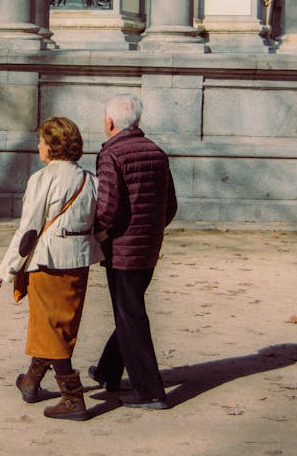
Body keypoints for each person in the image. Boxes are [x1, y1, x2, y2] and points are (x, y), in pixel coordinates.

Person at [0, 117, 103, 421]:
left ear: (52, 146)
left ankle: (73, 398)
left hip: (48, 260)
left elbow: (28, 232)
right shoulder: (91, 180)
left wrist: (5, 270)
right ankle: (31, 382)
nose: (38, 145)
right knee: (58, 323)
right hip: (78, 261)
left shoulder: (42, 179)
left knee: (51, 327)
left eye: (41, 140)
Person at [89, 93, 177, 409]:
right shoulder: (156, 152)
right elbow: (170, 205)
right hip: (148, 247)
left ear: (110, 122)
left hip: (123, 249)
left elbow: (108, 208)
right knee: (128, 312)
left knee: (131, 316)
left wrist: (97, 234)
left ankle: (151, 391)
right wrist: (150, 232)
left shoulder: (111, 153)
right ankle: (108, 371)